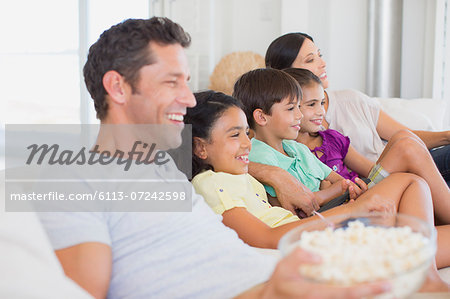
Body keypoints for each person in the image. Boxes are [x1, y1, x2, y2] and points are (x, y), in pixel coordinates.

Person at [35, 17, 393, 299]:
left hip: (274, 279)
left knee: (410, 261)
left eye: (187, 82)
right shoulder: (74, 181)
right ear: (117, 87)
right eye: (172, 82)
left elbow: (225, 166)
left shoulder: (163, 168)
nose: (189, 99)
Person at [232, 68, 450, 290]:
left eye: (300, 107)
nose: (299, 115)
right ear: (261, 117)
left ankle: (420, 270)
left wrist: (340, 188)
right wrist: (337, 190)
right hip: (326, 219)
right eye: (292, 108)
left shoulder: (296, 148)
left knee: (414, 179)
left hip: (343, 203)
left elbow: (336, 180)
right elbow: (300, 206)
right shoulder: (259, 154)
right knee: (409, 180)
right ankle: (427, 276)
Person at [187, 90, 396, 249]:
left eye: (246, 133)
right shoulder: (211, 183)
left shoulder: (239, 176)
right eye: (235, 135)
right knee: (404, 183)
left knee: (407, 185)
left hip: (307, 231)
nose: (247, 144)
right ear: (200, 148)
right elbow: (265, 237)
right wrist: (347, 211)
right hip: (300, 243)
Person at [264, 32, 450, 184]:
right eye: (311, 60)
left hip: (401, 170)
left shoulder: (349, 102)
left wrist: (446, 136)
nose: (323, 63)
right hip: (374, 185)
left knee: (405, 141)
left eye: (320, 55)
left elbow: (405, 134)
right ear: (287, 75)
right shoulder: (287, 137)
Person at [284, 67, 450, 225]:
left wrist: (365, 185)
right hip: (345, 206)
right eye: (312, 104)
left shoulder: (332, 138)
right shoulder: (289, 151)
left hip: (362, 191)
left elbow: (371, 171)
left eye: (322, 103)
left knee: (402, 137)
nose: (321, 111)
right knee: (406, 147)